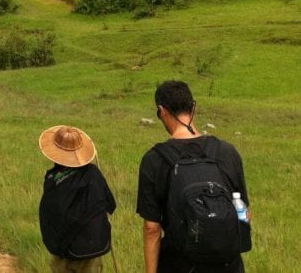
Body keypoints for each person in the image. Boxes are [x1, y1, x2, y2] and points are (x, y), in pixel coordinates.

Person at [137, 80, 251, 273]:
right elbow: (244, 212)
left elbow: (152, 228)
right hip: (228, 265)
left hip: (179, 265)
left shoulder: (154, 159)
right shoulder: (227, 152)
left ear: (162, 111)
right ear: (194, 108)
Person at [39, 124, 117, 273]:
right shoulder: (94, 174)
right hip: (92, 248)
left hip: (64, 249)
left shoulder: (52, 179)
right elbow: (110, 206)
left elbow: (50, 216)